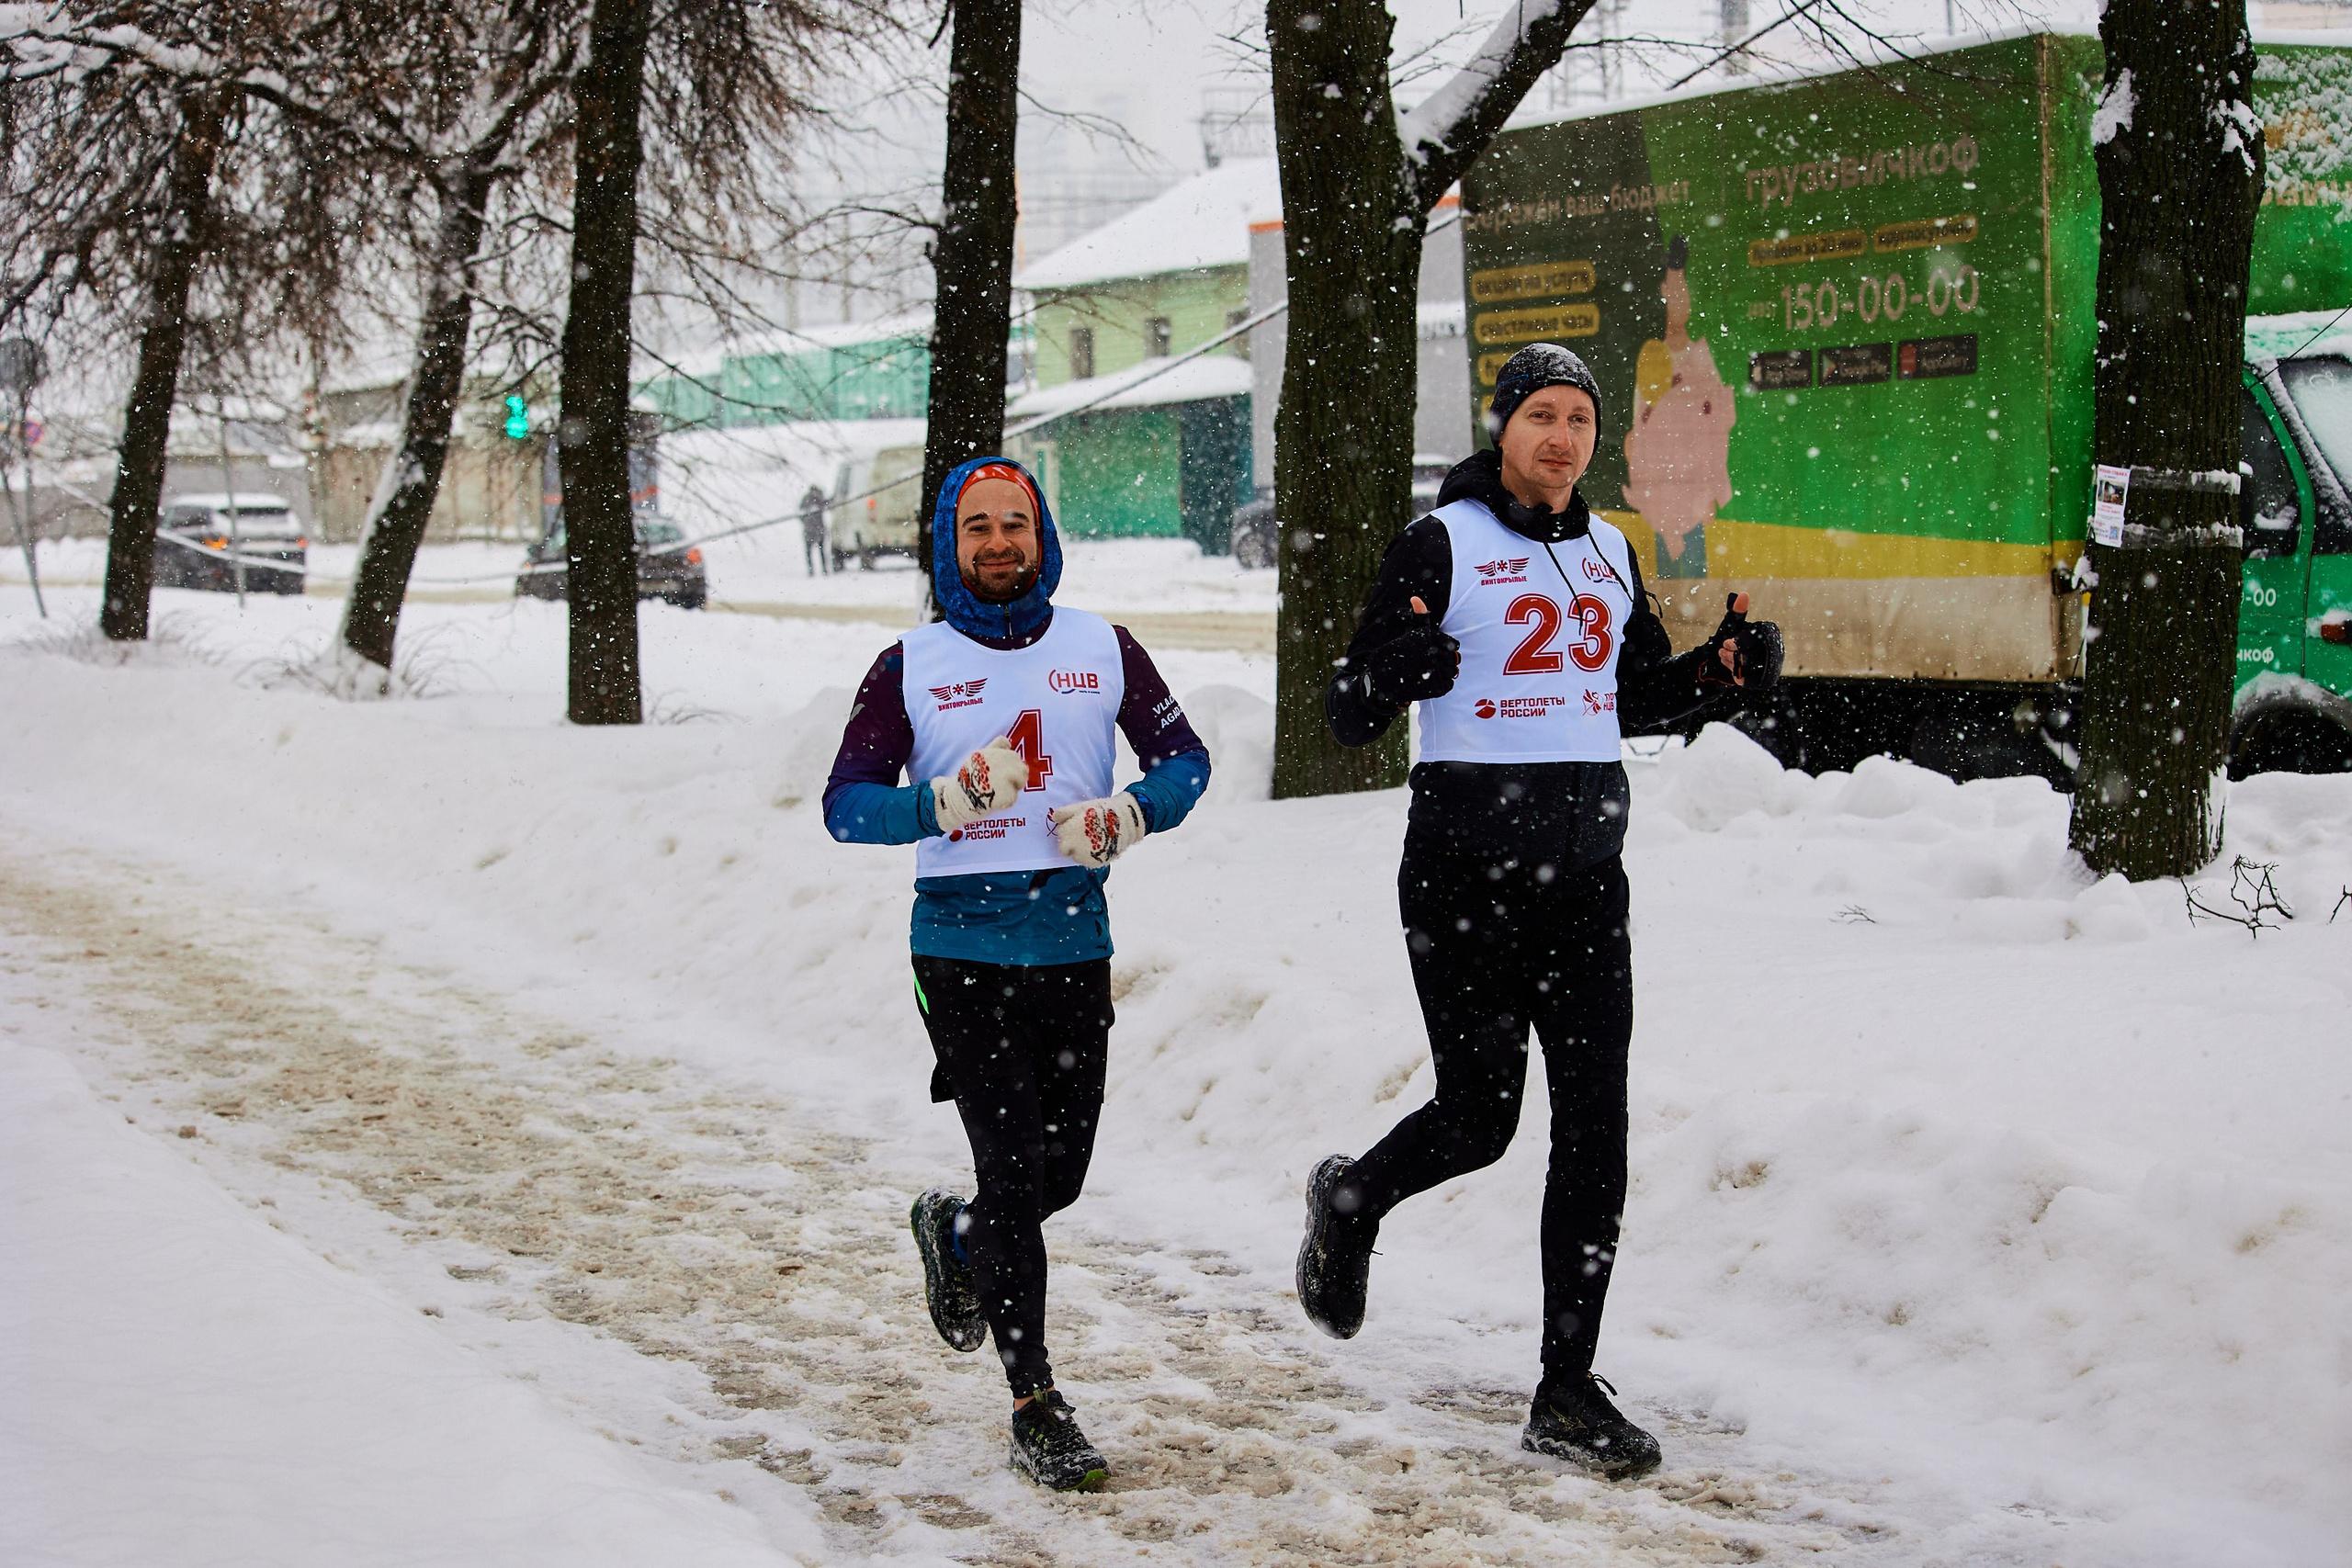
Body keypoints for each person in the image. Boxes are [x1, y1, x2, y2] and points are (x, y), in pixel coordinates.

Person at [1295, 343, 1781, 1479]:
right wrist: (1393, 668)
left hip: (1584, 886)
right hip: (1462, 876)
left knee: (1595, 1131)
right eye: (1539, 417)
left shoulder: (1611, 550)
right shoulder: (1441, 542)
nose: (1560, 438)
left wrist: (1717, 672)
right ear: (1501, 425)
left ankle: (1566, 1389)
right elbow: (1345, 710)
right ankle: (1351, 1200)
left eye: (1577, 419)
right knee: (1479, 1120)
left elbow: (1626, 695)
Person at [822, 456, 1211, 1492]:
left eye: (1016, 523)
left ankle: (955, 1235)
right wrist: (934, 806)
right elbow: (845, 803)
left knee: (1057, 1178)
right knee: (1011, 1173)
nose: (999, 543)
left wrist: (1132, 812)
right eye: (977, 527)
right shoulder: (908, 662)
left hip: (1073, 945)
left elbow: (1187, 761)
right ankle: (1035, 1403)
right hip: (958, 950)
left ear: (1041, 535)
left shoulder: (1101, 645)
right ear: (950, 545)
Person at [801, 483, 831, 575]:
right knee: (822, 551)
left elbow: (800, 513)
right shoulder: (819, 498)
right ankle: (824, 569)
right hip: (819, 529)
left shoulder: (805, 499)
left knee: (809, 552)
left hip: (808, 530)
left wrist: (805, 522)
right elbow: (826, 504)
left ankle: (811, 570)